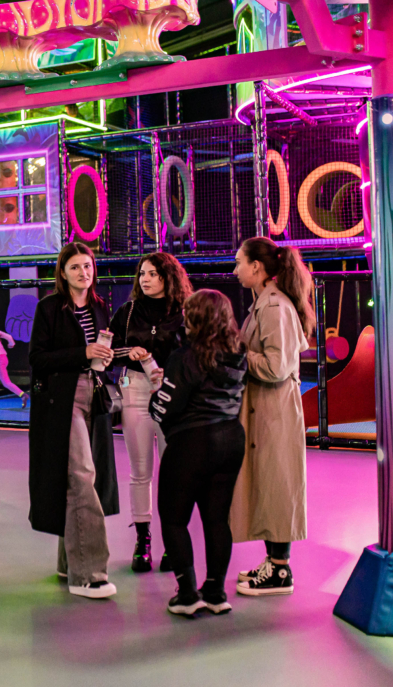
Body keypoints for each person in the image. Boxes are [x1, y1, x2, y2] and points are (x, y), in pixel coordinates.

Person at [29, 242, 119, 599]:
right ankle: (89, 574)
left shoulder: (99, 308)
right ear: (63, 273)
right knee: (82, 476)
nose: (84, 272)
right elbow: (37, 358)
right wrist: (82, 353)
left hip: (93, 396)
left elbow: (99, 354)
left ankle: (69, 562)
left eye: (88, 266)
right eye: (76, 267)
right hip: (61, 402)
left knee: (83, 477)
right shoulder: (49, 308)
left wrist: (105, 358)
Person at [149, 290, 247, 616]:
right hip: (230, 439)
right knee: (217, 519)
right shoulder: (238, 355)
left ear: (195, 318)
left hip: (191, 443)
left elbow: (166, 407)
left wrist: (155, 397)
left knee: (174, 518)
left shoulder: (185, 357)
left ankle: (188, 595)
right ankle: (216, 593)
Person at [230, 236, 314, 596]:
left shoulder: (274, 307)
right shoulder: (265, 303)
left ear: (256, 267)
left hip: (274, 409)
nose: (235, 270)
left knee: (278, 485)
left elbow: (277, 367)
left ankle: (281, 570)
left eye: (239, 263)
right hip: (267, 408)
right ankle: (274, 562)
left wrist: (235, 353)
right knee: (269, 483)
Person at [110, 252, 191, 574]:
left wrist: (172, 372)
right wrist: (127, 352)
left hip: (173, 393)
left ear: (168, 277)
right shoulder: (127, 312)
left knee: (173, 471)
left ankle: (173, 540)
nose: (145, 279)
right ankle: (142, 541)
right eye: (142, 273)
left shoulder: (185, 311)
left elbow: (196, 353)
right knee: (140, 470)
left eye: (153, 274)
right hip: (134, 389)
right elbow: (107, 351)